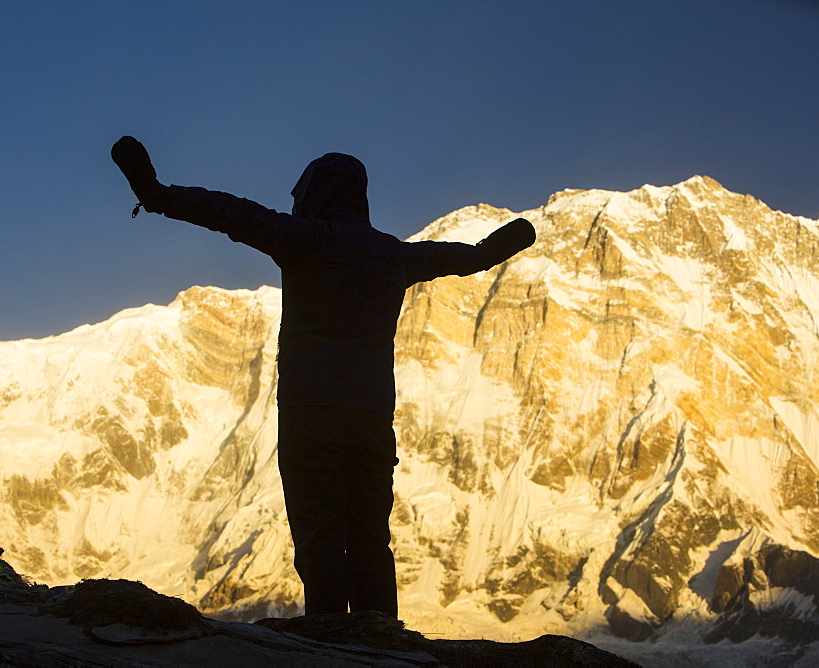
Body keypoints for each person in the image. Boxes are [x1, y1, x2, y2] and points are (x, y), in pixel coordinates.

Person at [111, 137, 536, 618]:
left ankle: (332, 641)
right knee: (371, 542)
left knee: (320, 540)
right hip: (371, 419)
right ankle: (382, 642)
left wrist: (157, 195)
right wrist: (501, 244)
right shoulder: (393, 256)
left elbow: (231, 213)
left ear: (316, 194)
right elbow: (466, 259)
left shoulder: (305, 240)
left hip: (310, 413)